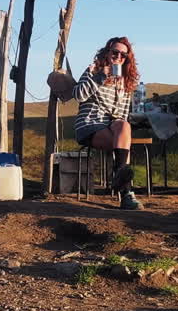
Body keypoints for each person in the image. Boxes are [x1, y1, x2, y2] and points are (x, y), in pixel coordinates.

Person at [56, 36, 142, 210]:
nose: (118, 57)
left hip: (113, 126)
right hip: (90, 124)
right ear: (107, 52)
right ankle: (126, 192)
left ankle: (120, 175)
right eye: (115, 52)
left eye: (123, 55)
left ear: (127, 59)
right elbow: (79, 95)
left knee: (124, 126)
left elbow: (123, 114)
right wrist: (101, 77)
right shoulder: (94, 70)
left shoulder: (127, 81)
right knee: (123, 151)